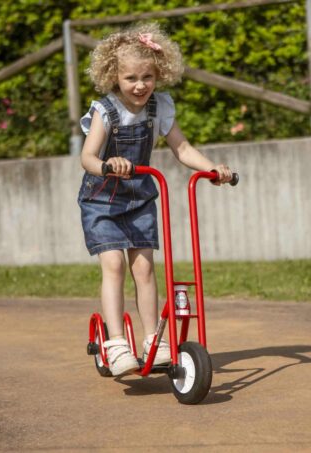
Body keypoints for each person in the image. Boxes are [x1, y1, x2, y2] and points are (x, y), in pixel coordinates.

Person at [77, 22, 233, 376]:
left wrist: (212, 169)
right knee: (114, 265)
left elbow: (183, 148)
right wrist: (108, 165)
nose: (140, 85)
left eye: (147, 77)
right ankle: (116, 342)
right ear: (114, 77)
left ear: (159, 74)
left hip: (140, 198)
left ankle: (153, 339)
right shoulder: (105, 110)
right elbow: (87, 157)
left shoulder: (159, 106)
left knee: (145, 268)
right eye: (130, 78)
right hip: (102, 201)